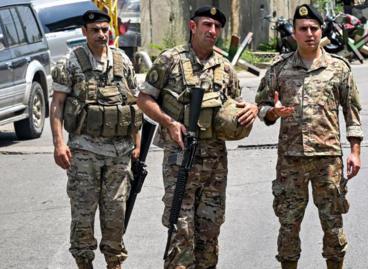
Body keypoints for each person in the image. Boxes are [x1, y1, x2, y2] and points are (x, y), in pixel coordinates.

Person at [136, 6, 258, 269]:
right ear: (193, 26)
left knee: (209, 234)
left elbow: (235, 105)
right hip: (180, 160)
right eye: (206, 25)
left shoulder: (225, 68)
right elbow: (144, 98)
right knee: (181, 232)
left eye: (216, 26)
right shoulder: (170, 60)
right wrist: (168, 122)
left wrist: (250, 110)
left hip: (215, 164)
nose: (212, 31)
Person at [255, 4, 363, 269]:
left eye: (314, 28)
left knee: (333, 226)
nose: (309, 33)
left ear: (321, 30)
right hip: (290, 162)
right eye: (303, 29)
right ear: (294, 32)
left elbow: (352, 113)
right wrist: (273, 112)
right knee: (288, 227)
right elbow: (261, 106)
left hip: (328, 161)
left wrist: (355, 152)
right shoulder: (279, 69)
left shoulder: (339, 68)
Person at [50, 10, 142, 269]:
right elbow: (57, 104)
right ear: (84, 32)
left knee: (116, 217)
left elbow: (134, 101)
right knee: (83, 216)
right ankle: (84, 264)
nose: (102, 35)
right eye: (95, 30)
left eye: (105, 29)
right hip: (84, 151)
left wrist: (137, 142)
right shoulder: (71, 63)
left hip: (119, 154)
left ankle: (115, 264)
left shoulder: (123, 60)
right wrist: (59, 143)